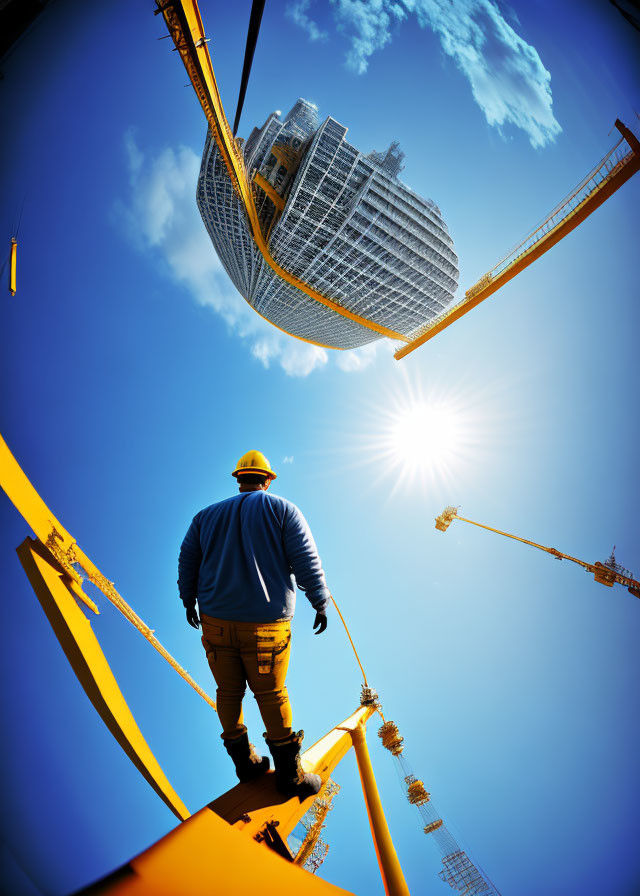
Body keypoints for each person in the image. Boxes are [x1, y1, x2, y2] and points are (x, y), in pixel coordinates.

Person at [178, 450, 330, 800]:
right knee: (271, 694)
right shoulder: (283, 509)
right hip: (266, 626)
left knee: (228, 694)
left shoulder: (204, 517)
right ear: (268, 479)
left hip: (216, 622)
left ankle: (245, 762)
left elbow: (187, 560)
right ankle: (289, 777)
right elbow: (305, 559)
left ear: (238, 479)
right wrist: (318, 601)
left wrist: (189, 599)